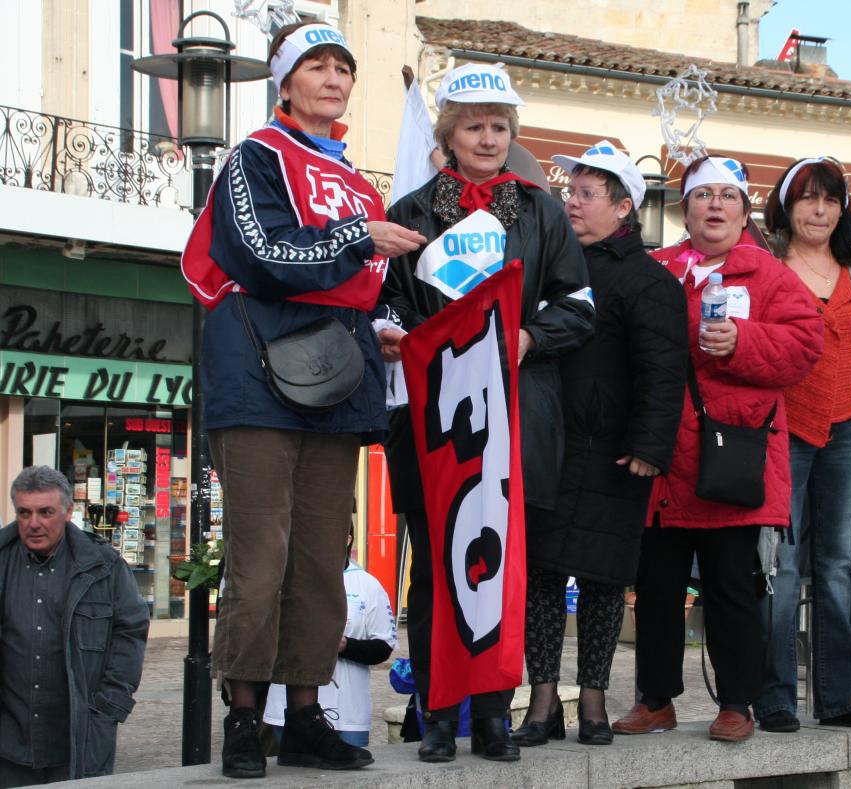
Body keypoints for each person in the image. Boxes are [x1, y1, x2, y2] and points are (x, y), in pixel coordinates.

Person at [180, 22, 424, 778]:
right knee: (262, 556)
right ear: (285, 83)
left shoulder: (356, 178)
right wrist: (358, 239)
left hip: (336, 381)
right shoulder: (253, 156)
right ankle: (245, 718)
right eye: (316, 66)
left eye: (344, 68)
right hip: (257, 379)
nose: (333, 78)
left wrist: (380, 323)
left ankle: (309, 712)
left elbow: (355, 283)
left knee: (324, 558)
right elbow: (259, 252)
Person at [381, 63, 594, 763]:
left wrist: (529, 337)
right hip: (435, 422)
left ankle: (495, 716)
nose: (489, 137)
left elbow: (578, 307)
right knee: (434, 573)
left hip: (519, 420)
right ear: (447, 135)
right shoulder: (410, 213)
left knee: (502, 570)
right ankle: (437, 713)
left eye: (500, 126)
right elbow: (391, 306)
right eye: (474, 125)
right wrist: (395, 333)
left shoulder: (542, 211)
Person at [612, 155, 822, 743]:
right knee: (655, 587)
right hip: (660, 456)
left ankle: (737, 703)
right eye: (704, 196)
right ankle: (656, 699)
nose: (715, 207)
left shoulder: (771, 276)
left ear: (743, 209)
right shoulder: (656, 270)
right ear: (685, 207)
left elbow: (806, 346)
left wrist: (744, 341)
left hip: (733, 453)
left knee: (733, 587)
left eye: (727, 197)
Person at [511, 143, 688, 748]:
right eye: (570, 192)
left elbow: (664, 371)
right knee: (539, 577)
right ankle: (540, 700)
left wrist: (649, 445)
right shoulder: (554, 267)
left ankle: (592, 698)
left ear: (622, 209)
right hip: (547, 444)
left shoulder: (649, 281)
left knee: (603, 580)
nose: (573, 203)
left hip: (615, 454)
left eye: (587, 194)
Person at [752, 157, 851, 732]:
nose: (819, 209)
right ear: (787, 207)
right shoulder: (766, 268)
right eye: (808, 198)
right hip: (783, 432)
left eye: (831, 199)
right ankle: (775, 698)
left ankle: (841, 698)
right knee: (781, 568)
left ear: (842, 209)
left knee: (838, 568)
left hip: (849, 433)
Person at [0, 466, 148, 785]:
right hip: (8, 748)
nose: (34, 523)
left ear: (68, 512)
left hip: (79, 740)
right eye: (24, 513)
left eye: (45, 512)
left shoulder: (103, 567)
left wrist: (110, 708)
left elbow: (130, 632)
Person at [264, 531, 397, 746]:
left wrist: (345, 645)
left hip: (348, 714)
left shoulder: (368, 585)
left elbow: (383, 647)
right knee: (296, 775)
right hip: (287, 708)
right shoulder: (288, 578)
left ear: (348, 538)